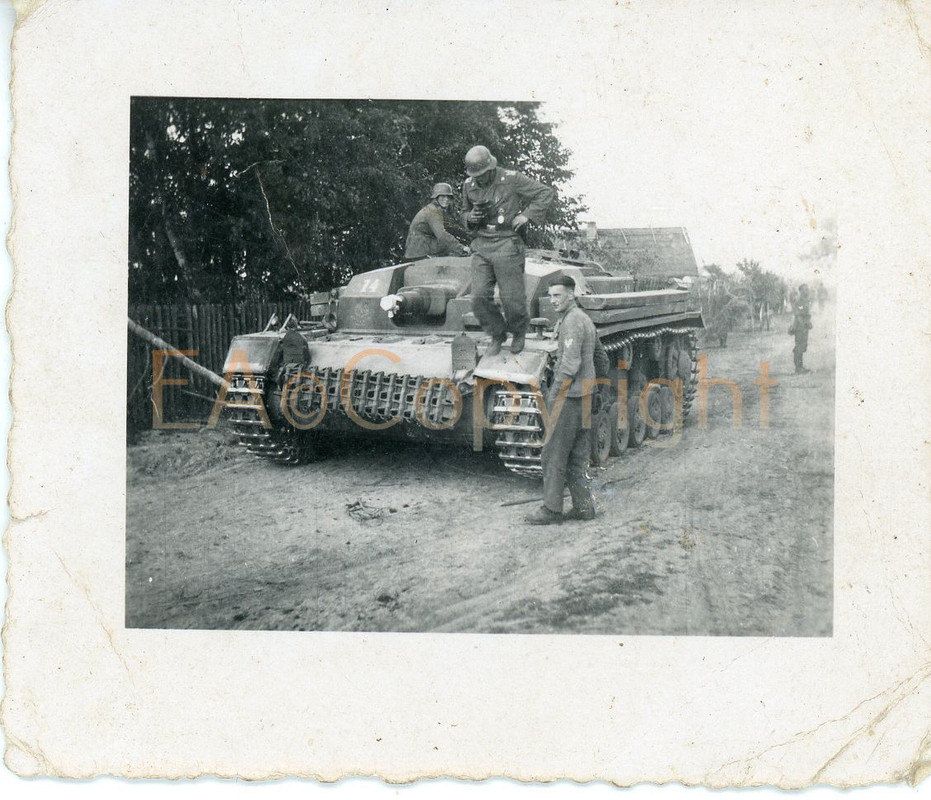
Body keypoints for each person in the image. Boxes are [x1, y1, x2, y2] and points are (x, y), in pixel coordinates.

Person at [461, 145, 555, 356]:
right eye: (476, 175)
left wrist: (527, 216)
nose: (480, 180)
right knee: (477, 298)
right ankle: (497, 333)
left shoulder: (511, 179)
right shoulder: (468, 185)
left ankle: (518, 332)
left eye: (483, 175)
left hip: (506, 241)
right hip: (482, 243)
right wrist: (469, 219)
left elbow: (544, 193)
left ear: (491, 168)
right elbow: (464, 212)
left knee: (512, 298)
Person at [526, 275, 604, 525]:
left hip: (568, 398)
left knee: (553, 453)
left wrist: (553, 396)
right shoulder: (585, 319)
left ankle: (551, 509)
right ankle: (583, 507)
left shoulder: (571, 322)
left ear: (571, 294)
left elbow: (570, 365)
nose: (553, 300)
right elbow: (602, 359)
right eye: (551, 296)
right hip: (585, 396)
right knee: (579, 455)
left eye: (558, 295)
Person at [404, 183, 470, 259]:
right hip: (419, 249)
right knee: (448, 246)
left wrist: (467, 236)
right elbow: (442, 235)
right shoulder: (433, 211)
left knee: (449, 244)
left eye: (448, 197)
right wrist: (462, 248)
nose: (446, 199)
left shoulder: (433, 209)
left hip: (417, 247)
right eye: (443, 196)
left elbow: (451, 228)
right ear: (436, 197)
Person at [790, 283, 813, 373]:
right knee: (799, 346)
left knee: (802, 346)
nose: (807, 291)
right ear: (801, 291)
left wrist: (808, 323)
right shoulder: (799, 301)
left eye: (807, 289)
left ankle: (800, 367)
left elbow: (806, 314)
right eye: (805, 289)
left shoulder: (805, 300)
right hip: (800, 327)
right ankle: (798, 368)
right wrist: (803, 326)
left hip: (804, 326)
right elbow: (798, 315)